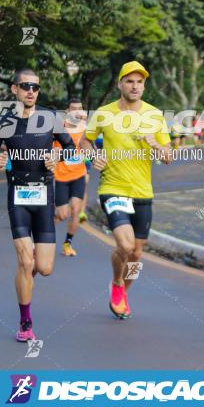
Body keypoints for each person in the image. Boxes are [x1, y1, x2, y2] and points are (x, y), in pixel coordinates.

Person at [0, 68, 76, 341]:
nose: (30, 91)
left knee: (44, 268)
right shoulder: (4, 123)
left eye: (35, 87)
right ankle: (25, 323)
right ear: (14, 90)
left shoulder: (50, 118)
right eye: (25, 86)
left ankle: (29, 268)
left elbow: (70, 149)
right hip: (18, 196)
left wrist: (57, 157)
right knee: (24, 260)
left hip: (44, 195)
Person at [81, 61, 173, 319]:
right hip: (113, 187)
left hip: (143, 192)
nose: (135, 86)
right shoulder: (104, 113)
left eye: (140, 82)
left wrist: (156, 144)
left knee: (137, 254)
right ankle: (117, 282)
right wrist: (93, 156)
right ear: (120, 84)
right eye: (130, 81)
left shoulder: (154, 115)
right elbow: (84, 140)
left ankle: (123, 290)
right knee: (125, 244)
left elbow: (168, 156)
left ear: (144, 86)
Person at [54, 99, 87, 257]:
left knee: (75, 210)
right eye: (73, 109)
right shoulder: (59, 129)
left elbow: (91, 146)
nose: (77, 113)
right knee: (62, 214)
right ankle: (41, 235)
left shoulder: (86, 129)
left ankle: (67, 243)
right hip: (61, 177)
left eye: (79, 109)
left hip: (78, 175)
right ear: (67, 111)